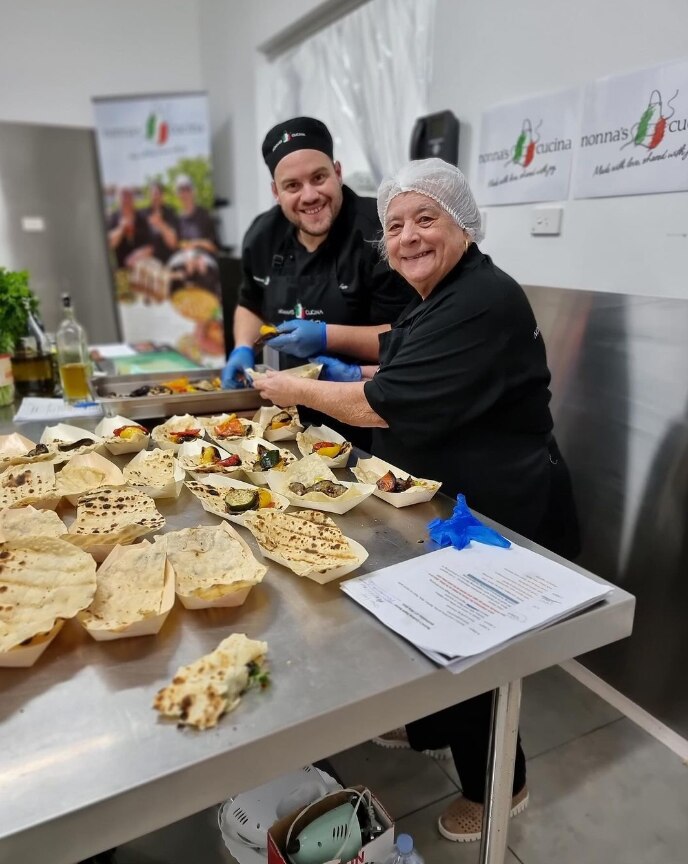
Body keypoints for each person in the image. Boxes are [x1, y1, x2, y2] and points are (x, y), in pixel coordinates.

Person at [254, 158, 580, 843]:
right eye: (395, 225)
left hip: (498, 511)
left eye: (425, 219)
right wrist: (344, 365)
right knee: (435, 642)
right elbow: (397, 359)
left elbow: (381, 405)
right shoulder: (441, 296)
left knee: (475, 655)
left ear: (463, 225)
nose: (407, 237)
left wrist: (299, 389)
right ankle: (430, 723)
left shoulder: (482, 298)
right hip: (449, 501)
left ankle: (499, 787)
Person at [221, 116, 414, 390]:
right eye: (293, 186)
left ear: (337, 172)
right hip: (287, 401)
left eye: (318, 177)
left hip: (369, 399)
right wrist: (242, 348)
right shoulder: (263, 235)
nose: (309, 195)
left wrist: (327, 337)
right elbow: (250, 302)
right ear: (276, 191)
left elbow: (409, 336)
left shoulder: (382, 230)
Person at [107, 187, 153, 268]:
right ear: (118, 200)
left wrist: (136, 257)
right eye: (123, 196)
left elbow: (150, 246)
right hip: (121, 268)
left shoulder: (142, 217)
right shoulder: (113, 218)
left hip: (142, 264)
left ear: (133, 199)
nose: (126, 200)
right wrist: (121, 228)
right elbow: (110, 244)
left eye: (129, 196)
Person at [142, 181, 178, 263]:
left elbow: (173, 243)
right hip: (149, 259)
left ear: (162, 195)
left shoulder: (170, 212)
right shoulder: (144, 214)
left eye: (157, 193)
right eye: (153, 194)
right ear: (149, 195)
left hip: (170, 259)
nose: (155, 197)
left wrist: (161, 224)